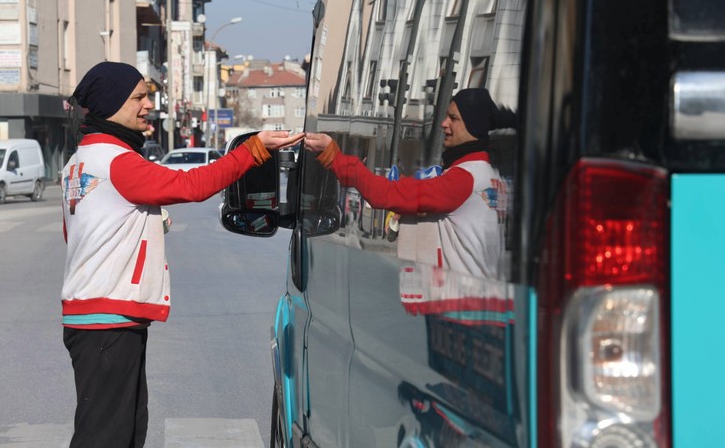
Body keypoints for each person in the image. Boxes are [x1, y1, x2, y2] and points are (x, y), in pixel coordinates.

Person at [60, 61, 302, 448]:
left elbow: (80, 232)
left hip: (99, 316)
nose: (146, 106)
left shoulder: (79, 162)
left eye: (147, 97)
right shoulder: (117, 161)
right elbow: (192, 185)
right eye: (138, 97)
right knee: (106, 436)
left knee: (121, 430)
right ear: (110, 103)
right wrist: (254, 150)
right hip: (108, 318)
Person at [304, 88, 513, 279]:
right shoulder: (489, 175)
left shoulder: (463, 179)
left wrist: (333, 154)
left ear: (473, 126)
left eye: (453, 118)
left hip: (463, 305)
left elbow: (384, 195)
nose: (443, 123)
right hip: (482, 296)